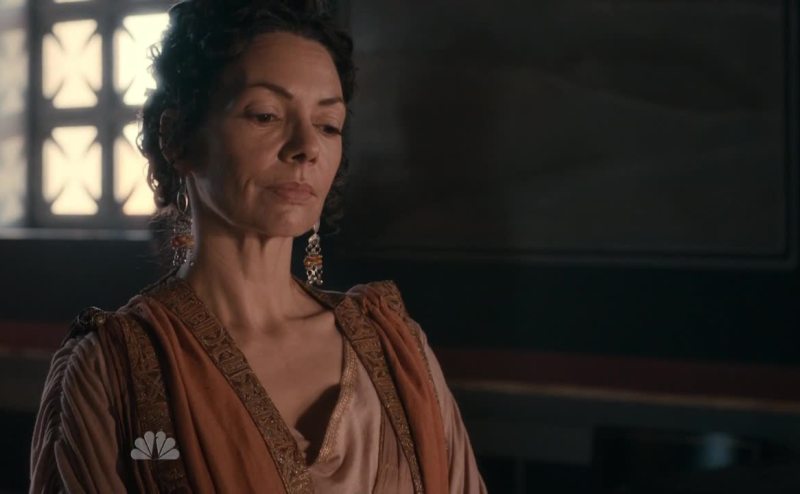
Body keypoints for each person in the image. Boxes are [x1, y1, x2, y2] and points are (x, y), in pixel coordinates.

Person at [29, 0, 487, 492]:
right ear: (178, 137)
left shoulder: (398, 349)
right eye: (266, 115)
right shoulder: (113, 369)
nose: (306, 147)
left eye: (328, 125)